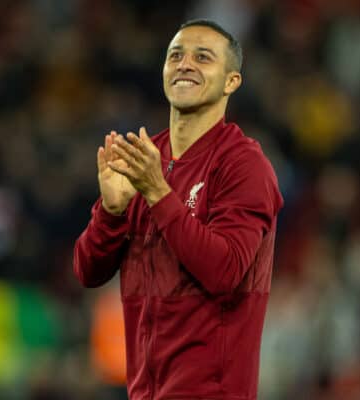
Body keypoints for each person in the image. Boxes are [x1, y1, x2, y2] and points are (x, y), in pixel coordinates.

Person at [74, 19, 283, 400]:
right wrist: (111, 211)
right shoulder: (145, 157)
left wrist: (157, 192)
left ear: (231, 81)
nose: (185, 64)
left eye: (203, 57)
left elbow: (225, 272)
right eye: (175, 56)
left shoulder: (242, 164)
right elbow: (87, 271)